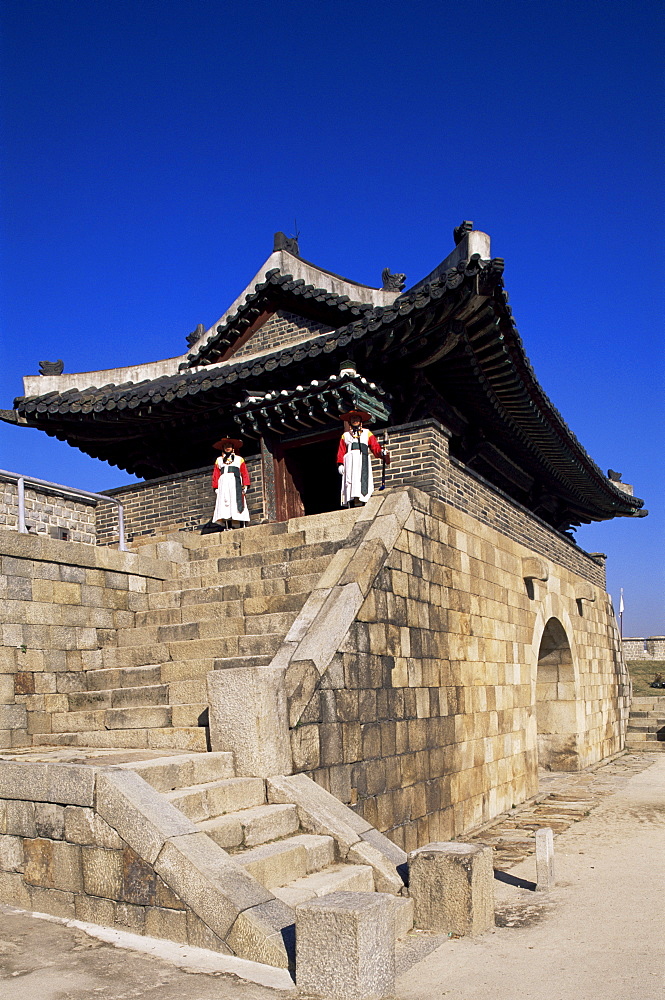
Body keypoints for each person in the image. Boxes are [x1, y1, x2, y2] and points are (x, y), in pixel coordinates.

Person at [336, 410, 389, 507]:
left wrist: (381, 452)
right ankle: (351, 503)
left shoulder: (367, 433)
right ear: (349, 421)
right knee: (350, 483)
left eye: (357, 418)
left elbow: (375, 447)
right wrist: (340, 464)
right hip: (350, 463)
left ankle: (363, 502)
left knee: (362, 481)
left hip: (362, 460)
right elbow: (341, 451)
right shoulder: (346, 435)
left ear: (361, 420)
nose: (355, 420)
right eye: (353, 418)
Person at [211, 437, 250, 528]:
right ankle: (227, 524)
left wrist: (246, 485)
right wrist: (216, 487)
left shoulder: (239, 459)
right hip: (223, 484)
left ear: (233, 448)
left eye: (229, 446)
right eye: (225, 446)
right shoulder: (219, 460)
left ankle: (241, 522)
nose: (227, 447)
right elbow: (216, 474)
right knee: (225, 502)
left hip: (235, 482)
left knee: (236, 501)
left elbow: (244, 472)